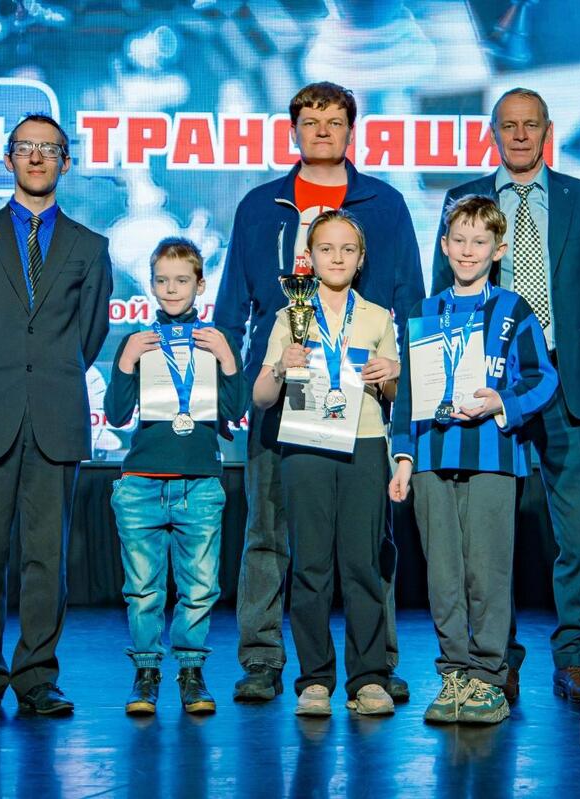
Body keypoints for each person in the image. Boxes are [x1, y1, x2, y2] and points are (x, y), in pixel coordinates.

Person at [216, 81, 424, 703]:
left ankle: (376, 664)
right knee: (268, 532)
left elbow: (410, 302)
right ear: (294, 131)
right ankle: (263, 658)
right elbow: (231, 306)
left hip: (361, 404)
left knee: (368, 543)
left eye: (335, 121)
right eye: (311, 121)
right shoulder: (261, 205)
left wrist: (403, 380)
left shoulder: (384, 204)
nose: (323, 131)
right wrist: (234, 392)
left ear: (351, 131)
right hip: (280, 390)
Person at [431, 88, 580, 704]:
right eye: (509, 125)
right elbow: (441, 302)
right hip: (489, 389)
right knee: (491, 541)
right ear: (492, 132)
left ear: (547, 130)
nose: (520, 135)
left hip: (568, 385)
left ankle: (573, 661)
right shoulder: (464, 200)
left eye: (530, 125)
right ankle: (499, 659)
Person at [0, 113, 113, 717]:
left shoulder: (90, 246)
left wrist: (46, 376)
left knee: (47, 559)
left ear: (67, 161)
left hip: (55, 417)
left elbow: (89, 335)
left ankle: (37, 676)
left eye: (49, 148)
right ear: (8, 159)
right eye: (25, 148)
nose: (37, 157)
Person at [390, 195, 557, 724]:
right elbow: (408, 395)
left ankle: (488, 676)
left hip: (493, 458)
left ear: (498, 250)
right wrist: (402, 458)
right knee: (443, 576)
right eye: (459, 240)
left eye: (479, 242)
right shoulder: (424, 312)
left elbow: (542, 378)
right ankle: (454, 674)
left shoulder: (514, 310)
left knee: (487, 573)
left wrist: (501, 401)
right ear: (444, 245)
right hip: (431, 459)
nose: (468, 250)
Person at [251, 210, 400, 717]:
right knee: (311, 564)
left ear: (361, 259)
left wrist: (391, 373)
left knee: (362, 564)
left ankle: (369, 678)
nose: (337, 258)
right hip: (306, 444)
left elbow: (394, 394)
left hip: (364, 443)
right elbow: (262, 397)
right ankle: (314, 679)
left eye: (347, 250)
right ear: (309, 258)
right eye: (326, 249)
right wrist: (280, 367)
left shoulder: (377, 317)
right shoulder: (290, 315)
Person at [104, 238, 249, 716]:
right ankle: (146, 673)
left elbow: (235, 410)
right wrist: (126, 362)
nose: (171, 289)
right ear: (150, 285)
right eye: (162, 280)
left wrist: (228, 360)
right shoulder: (138, 341)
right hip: (141, 483)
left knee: (200, 587)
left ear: (200, 285)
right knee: (143, 589)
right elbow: (116, 415)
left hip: (200, 483)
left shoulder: (215, 340)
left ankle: (191, 672)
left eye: (182, 280)